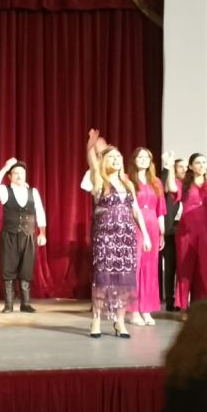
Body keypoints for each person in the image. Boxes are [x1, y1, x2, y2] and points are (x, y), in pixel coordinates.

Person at [81, 130, 151, 338]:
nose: (116, 159)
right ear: (104, 161)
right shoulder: (99, 180)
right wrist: (90, 146)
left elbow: (136, 210)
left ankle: (120, 322)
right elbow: (93, 163)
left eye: (118, 157)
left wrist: (146, 235)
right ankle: (96, 320)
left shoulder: (128, 183)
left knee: (124, 280)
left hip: (126, 237)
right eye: (111, 157)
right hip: (105, 236)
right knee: (103, 279)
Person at [0, 157, 46, 313]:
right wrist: (5, 166)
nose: (20, 176)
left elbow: (40, 212)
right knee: (8, 269)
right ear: (10, 176)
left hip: (28, 236)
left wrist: (42, 233)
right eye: (16, 173)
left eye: (22, 173)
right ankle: (8, 304)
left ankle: (25, 303)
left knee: (26, 268)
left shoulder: (33, 192)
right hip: (10, 236)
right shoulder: (4, 191)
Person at [174, 153, 207, 315]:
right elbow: (172, 189)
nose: (201, 165)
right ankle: (183, 306)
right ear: (191, 166)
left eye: (204, 162)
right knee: (184, 268)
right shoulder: (184, 185)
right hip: (186, 231)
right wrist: (168, 167)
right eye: (198, 163)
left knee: (204, 269)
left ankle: (202, 307)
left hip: (206, 231)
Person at [128, 148, 166, 326]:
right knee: (135, 268)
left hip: (152, 225)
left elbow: (161, 209)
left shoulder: (156, 182)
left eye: (147, 157)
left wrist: (162, 232)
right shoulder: (128, 180)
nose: (143, 159)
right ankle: (134, 311)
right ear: (134, 160)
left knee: (150, 269)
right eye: (140, 157)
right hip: (134, 223)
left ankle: (147, 310)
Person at [160, 154, 186, 312]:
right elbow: (165, 186)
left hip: (186, 230)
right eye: (181, 166)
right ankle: (170, 300)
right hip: (170, 230)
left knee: (183, 266)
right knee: (170, 266)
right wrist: (167, 166)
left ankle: (180, 300)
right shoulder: (171, 183)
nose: (184, 169)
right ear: (174, 170)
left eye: (186, 166)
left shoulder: (188, 185)